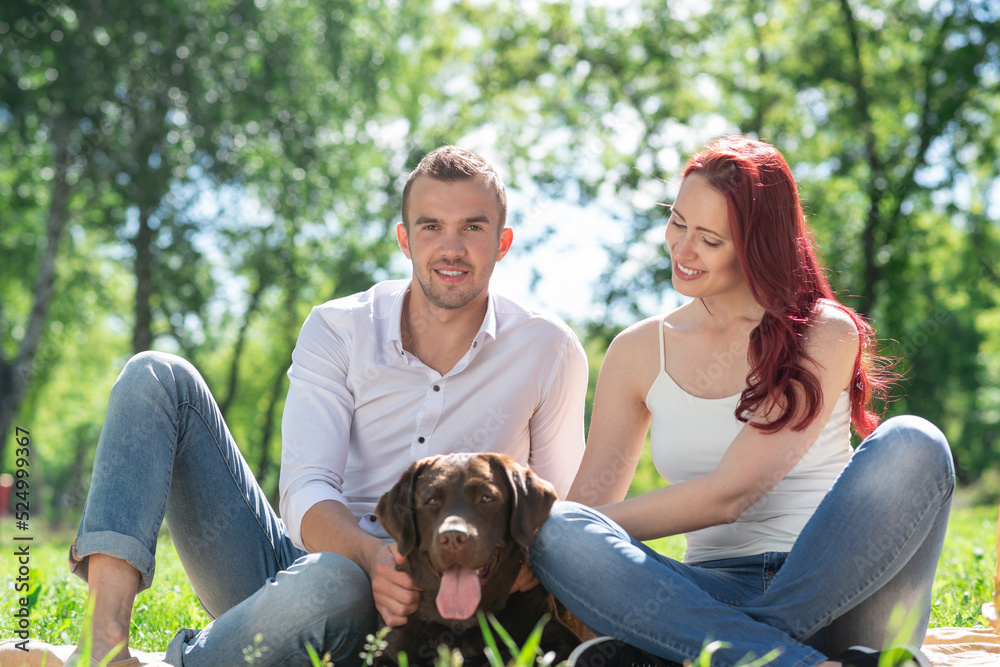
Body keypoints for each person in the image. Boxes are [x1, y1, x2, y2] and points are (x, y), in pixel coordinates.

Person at [66, 146, 588, 667]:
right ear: (405, 240)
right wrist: (371, 555)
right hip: (297, 573)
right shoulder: (339, 327)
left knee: (338, 581)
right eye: (431, 227)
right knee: (157, 376)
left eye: (473, 228)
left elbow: (562, 509)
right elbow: (305, 486)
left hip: (446, 596)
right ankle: (102, 645)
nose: (451, 248)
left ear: (503, 242)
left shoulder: (548, 349)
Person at [528, 136, 953, 667]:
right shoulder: (637, 352)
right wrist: (564, 532)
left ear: (758, 245)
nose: (682, 250)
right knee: (560, 530)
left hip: (850, 597)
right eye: (677, 223)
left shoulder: (823, 332)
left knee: (915, 441)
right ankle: (777, 658)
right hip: (709, 593)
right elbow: (590, 509)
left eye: (709, 238)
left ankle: (711, 651)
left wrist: (597, 534)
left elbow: (731, 494)